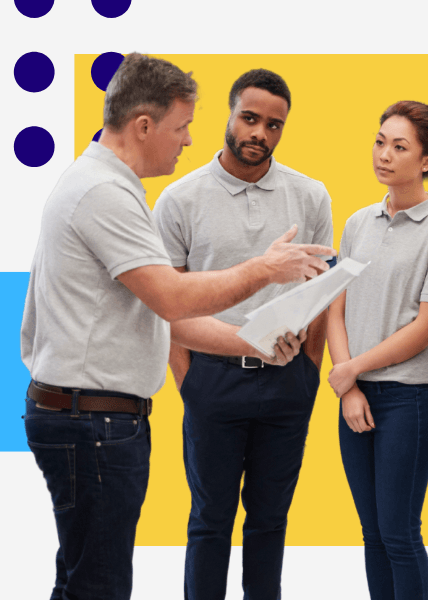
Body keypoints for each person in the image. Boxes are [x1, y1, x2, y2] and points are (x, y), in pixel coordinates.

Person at [19, 54, 335, 600]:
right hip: (92, 421)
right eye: (181, 126)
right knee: (100, 584)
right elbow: (172, 298)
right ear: (144, 125)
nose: (187, 139)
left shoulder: (108, 186)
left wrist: (262, 350)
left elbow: (159, 313)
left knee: (82, 578)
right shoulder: (106, 195)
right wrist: (265, 269)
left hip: (95, 416)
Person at [150, 69, 334, 600]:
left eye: (273, 125)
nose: (260, 133)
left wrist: (308, 369)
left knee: (270, 521)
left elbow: (322, 292)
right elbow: (167, 302)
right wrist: (189, 383)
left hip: (286, 385)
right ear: (229, 116)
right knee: (210, 519)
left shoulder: (310, 195)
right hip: (213, 380)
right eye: (250, 118)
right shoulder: (181, 200)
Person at [327, 100, 428, 600]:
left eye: (400, 146)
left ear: (426, 160)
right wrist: (348, 384)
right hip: (354, 396)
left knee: (400, 533)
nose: (384, 154)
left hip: (408, 401)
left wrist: (352, 369)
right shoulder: (359, 222)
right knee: (372, 534)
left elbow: (427, 326)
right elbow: (334, 309)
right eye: (380, 141)